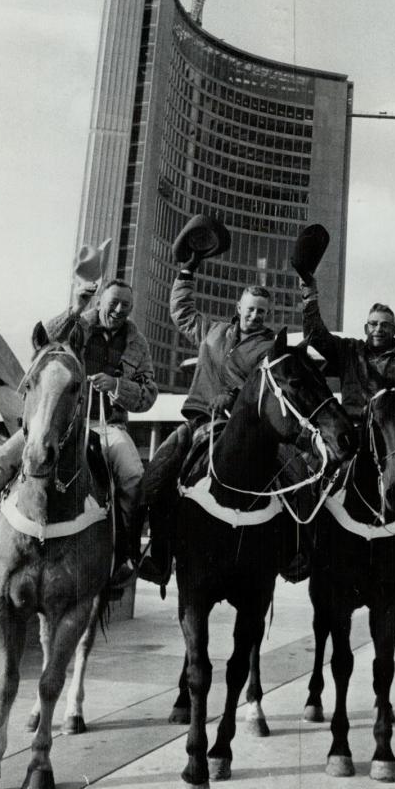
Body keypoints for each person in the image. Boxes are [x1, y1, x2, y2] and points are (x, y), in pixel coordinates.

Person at [0, 279, 157, 585]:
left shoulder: (138, 344)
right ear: (101, 302)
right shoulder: (78, 325)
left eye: (127, 305)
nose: (120, 310)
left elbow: (149, 394)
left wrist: (119, 387)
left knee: (134, 476)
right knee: (0, 462)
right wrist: (76, 307)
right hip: (60, 422)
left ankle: (125, 554)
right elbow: (41, 342)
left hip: (107, 426)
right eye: (114, 303)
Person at [298, 272, 395, 593]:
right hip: (350, 434)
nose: (378, 329)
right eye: (373, 323)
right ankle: (302, 550)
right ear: (365, 326)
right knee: (304, 473)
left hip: (393, 438)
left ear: (394, 329)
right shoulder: (349, 351)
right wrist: (309, 296)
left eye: (384, 324)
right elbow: (315, 335)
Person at [137, 247, 276, 586]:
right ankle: (159, 556)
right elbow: (182, 312)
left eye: (261, 312)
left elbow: (265, 386)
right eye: (250, 309)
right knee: (156, 476)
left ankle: (294, 553)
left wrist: (233, 394)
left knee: (290, 471)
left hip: (246, 427)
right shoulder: (212, 331)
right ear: (238, 309)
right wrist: (187, 273)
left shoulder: (270, 346)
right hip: (200, 421)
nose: (255, 316)